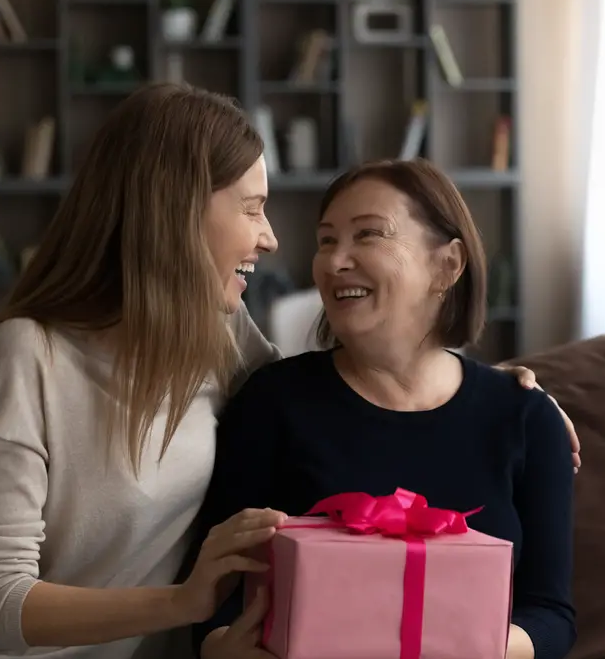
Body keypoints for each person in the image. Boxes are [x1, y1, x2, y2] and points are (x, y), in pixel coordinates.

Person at [0, 83, 578, 659]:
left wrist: (504, 391)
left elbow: (355, 392)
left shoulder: (222, 335)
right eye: (253, 207)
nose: (272, 239)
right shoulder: (28, 353)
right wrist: (183, 602)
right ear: (177, 209)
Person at [193, 159, 576, 659]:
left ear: (448, 265)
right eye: (327, 240)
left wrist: (464, 646)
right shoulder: (271, 404)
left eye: (368, 235)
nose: (334, 261)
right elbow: (212, 609)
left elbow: (551, 615)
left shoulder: (527, 419)